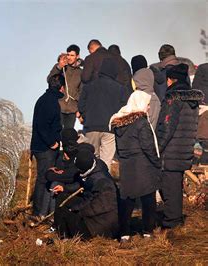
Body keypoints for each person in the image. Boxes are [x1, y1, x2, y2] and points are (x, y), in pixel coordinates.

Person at [156, 63, 204, 228]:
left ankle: (171, 222)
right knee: (175, 185)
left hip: (170, 151)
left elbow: (167, 127)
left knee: (168, 187)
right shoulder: (192, 100)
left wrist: (157, 147)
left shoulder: (173, 98)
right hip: (183, 149)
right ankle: (174, 219)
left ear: (170, 79)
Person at [110, 91, 161, 242]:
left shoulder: (119, 123)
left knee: (127, 199)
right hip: (143, 165)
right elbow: (148, 147)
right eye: (147, 104)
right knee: (148, 199)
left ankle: (124, 233)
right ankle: (147, 231)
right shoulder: (141, 122)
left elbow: (119, 149)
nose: (149, 108)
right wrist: (157, 162)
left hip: (126, 166)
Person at [52, 149, 119, 239]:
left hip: (100, 225)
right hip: (92, 214)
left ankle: (65, 238)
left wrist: (76, 210)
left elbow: (97, 206)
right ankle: (62, 233)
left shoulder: (102, 182)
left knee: (66, 213)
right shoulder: (94, 170)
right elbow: (85, 190)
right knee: (62, 200)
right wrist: (65, 189)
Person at [78, 58, 128, 168]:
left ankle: (91, 182)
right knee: (106, 160)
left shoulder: (88, 86)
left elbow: (81, 105)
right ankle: (105, 182)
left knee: (90, 159)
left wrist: (87, 117)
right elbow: (124, 109)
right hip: (110, 128)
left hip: (91, 126)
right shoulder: (120, 88)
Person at [30, 75, 65, 219]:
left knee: (43, 178)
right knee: (45, 178)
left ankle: (41, 211)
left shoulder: (44, 99)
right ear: (61, 87)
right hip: (45, 148)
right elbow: (43, 125)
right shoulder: (51, 102)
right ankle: (39, 212)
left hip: (39, 146)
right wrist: (52, 142)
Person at [47, 45, 83, 129]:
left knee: (68, 135)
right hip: (59, 106)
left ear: (77, 56)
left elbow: (82, 92)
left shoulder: (81, 72)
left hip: (72, 110)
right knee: (57, 132)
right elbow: (49, 80)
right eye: (68, 55)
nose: (69, 57)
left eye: (72, 55)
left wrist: (79, 109)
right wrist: (59, 66)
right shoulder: (60, 67)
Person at [45, 128, 80, 214]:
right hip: (65, 184)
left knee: (55, 184)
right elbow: (49, 174)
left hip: (75, 187)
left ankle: (52, 215)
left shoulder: (78, 155)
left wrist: (58, 175)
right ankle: (46, 214)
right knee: (53, 185)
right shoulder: (60, 156)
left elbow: (72, 177)